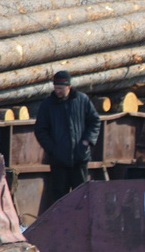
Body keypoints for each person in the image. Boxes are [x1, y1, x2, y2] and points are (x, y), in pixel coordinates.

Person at [35, 70, 101, 204]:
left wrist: (86, 141)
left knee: (82, 196)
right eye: (55, 88)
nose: (57, 91)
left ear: (69, 87)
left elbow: (95, 121)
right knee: (59, 198)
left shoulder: (82, 100)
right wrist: (52, 149)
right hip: (58, 160)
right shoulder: (48, 104)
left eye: (60, 88)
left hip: (80, 157)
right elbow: (40, 129)